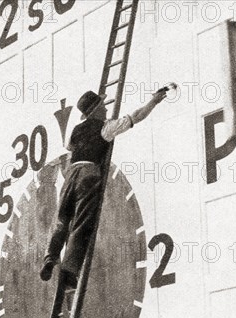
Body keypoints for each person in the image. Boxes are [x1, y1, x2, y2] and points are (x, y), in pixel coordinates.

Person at [40, 87, 171, 287]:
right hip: (88, 173)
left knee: (62, 221)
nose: (106, 109)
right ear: (96, 110)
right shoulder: (105, 127)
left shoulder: (75, 130)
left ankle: (50, 257)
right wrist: (153, 101)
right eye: (103, 106)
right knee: (83, 223)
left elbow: (69, 153)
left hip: (70, 175)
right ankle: (69, 272)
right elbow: (136, 116)